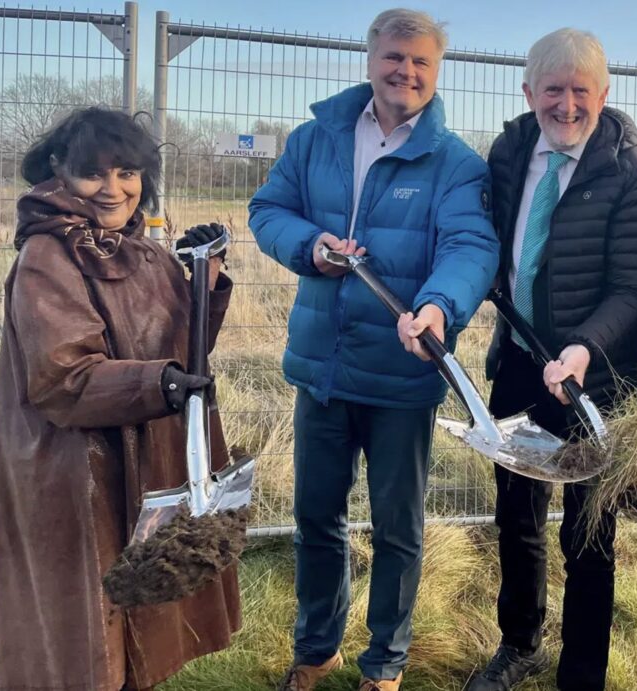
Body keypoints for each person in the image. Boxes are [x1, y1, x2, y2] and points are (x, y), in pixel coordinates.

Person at [247, 8, 498, 691]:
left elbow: (470, 246)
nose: (405, 72)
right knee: (315, 519)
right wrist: (311, 245)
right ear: (370, 58)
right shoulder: (315, 139)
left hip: (399, 375)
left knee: (397, 528)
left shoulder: (456, 163)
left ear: (436, 72)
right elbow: (267, 210)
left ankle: (384, 663)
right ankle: (316, 648)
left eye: (420, 62)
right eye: (394, 56)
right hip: (322, 370)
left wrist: (438, 306)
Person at [0, 106, 240, 690]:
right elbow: (64, 380)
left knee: (142, 618)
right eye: (93, 173)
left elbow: (180, 353)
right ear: (57, 170)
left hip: (144, 456)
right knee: (89, 636)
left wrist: (205, 279)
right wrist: (160, 385)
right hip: (76, 472)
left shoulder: (142, 250)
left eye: (127, 172)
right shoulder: (48, 257)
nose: (114, 189)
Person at [469, 28, 637, 691]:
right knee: (515, 514)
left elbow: (635, 288)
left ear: (604, 94)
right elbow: (484, 244)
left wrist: (582, 347)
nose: (567, 104)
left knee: (589, 533)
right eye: (552, 90)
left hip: (597, 376)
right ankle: (518, 642)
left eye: (581, 91)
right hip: (521, 363)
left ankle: (583, 671)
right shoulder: (509, 149)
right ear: (529, 93)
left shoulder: (634, 174)